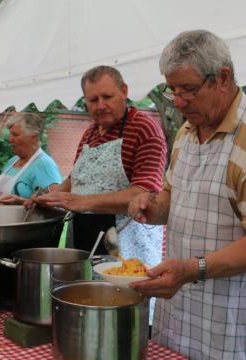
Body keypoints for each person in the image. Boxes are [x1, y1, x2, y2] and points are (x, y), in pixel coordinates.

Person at [128, 30, 246, 360]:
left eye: (187, 89)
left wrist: (192, 269)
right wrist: (154, 207)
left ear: (222, 78)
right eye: (172, 90)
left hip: (233, 323)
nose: (179, 102)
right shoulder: (187, 132)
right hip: (188, 311)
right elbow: (173, 195)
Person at [36, 65, 167, 266]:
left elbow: (143, 195)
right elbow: (73, 181)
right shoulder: (90, 133)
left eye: (107, 97)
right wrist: (43, 199)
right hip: (82, 241)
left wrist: (83, 202)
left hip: (126, 249)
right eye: (93, 100)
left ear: (124, 92)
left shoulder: (144, 129)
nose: (100, 105)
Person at [0, 112, 62, 206]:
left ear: (34, 138)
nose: (10, 139)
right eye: (10, 134)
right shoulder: (12, 162)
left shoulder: (44, 164)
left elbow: (56, 206)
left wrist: (21, 203)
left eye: (15, 135)